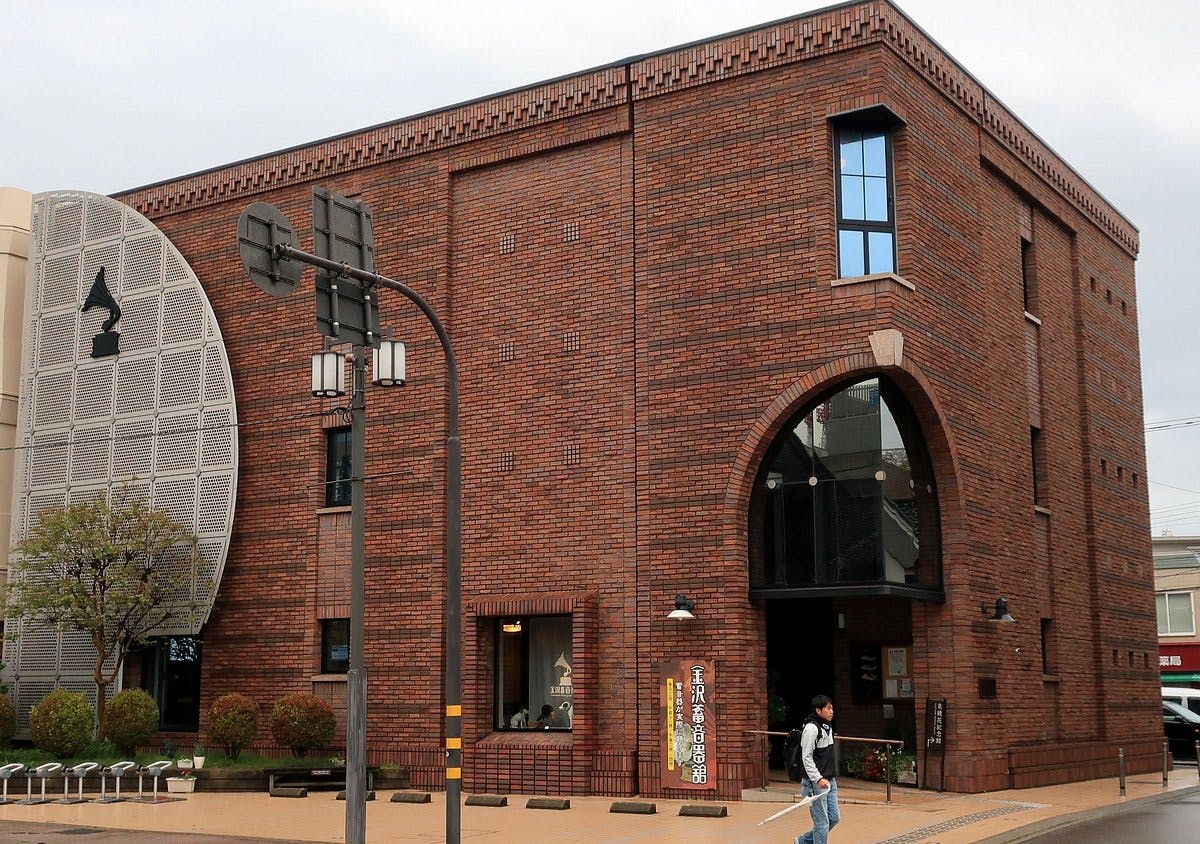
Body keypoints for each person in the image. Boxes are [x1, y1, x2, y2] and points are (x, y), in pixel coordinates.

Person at [796, 694, 839, 844]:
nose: (831, 711)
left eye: (832, 708)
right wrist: (817, 778)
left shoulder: (827, 727)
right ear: (818, 710)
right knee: (822, 824)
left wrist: (828, 779)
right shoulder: (811, 729)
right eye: (828, 708)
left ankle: (803, 841)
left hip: (829, 781)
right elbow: (806, 757)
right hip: (815, 783)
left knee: (834, 818)